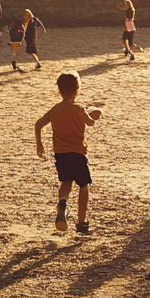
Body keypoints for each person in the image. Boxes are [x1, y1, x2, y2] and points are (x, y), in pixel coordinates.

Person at [34, 71, 102, 234]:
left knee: (66, 182)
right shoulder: (78, 109)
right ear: (77, 89)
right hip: (78, 153)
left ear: (59, 90)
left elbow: (38, 124)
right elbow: (91, 123)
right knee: (83, 186)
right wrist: (95, 114)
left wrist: (39, 145)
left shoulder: (55, 109)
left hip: (61, 154)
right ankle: (81, 222)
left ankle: (63, 203)